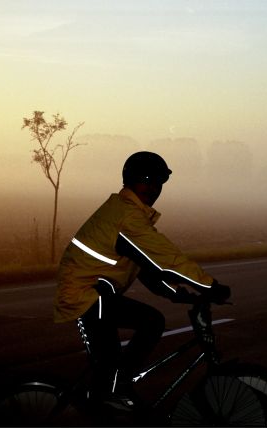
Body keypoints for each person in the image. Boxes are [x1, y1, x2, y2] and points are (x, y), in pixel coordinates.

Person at [53, 151, 231, 412]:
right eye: (146, 180)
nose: (153, 188)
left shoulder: (129, 213)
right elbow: (166, 259)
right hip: (86, 294)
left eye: (158, 182)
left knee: (151, 322)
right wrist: (210, 286)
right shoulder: (128, 216)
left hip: (95, 292)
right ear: (130, 181)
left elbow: (147, 268)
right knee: (113, 362)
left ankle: (112, 391)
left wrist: (176, 293)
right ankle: (110, 394)